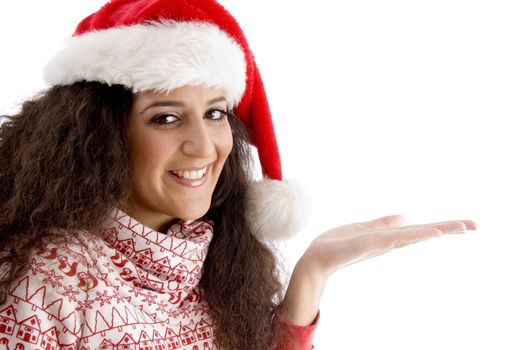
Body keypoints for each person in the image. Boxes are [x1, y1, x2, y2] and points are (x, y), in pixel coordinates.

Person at [0, 0, 476, 349]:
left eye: (214, 113)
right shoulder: (46, 282)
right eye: (165, 118)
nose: (204, 146)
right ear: (99, 135)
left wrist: (310, 275)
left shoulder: (213, 264)